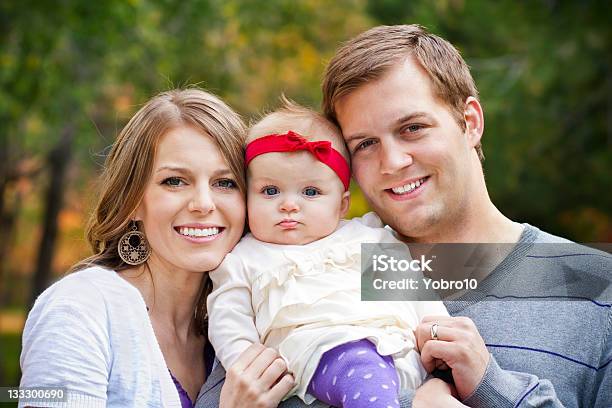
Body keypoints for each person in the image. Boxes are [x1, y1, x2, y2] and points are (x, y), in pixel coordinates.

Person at [320, 24, 612, 407]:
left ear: (470, 122)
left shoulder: (598, 289)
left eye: (413, 128)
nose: (391, 162)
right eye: (366, 144)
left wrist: (493, 387)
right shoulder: (316, 271)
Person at [19, 88, 294, 408]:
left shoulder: (246, 319)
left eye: (225, 183)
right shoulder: (80, 309)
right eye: (175, 181)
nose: (204, 204)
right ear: (133, 200)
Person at [206, 100, 449, 408]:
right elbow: (228, 317)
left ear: (342, 204)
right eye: (270, 191)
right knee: (360, 371)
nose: (289, 205)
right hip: (317, 354)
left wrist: (439, 330)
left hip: (398, 349)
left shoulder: (368, 237)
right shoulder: (245, 257)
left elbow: (414, 290)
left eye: (310, 192)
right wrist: (248, 365)